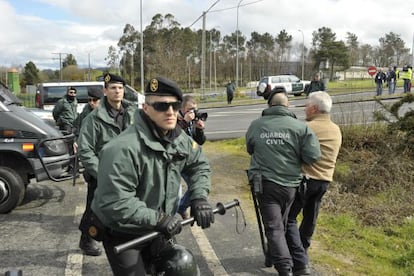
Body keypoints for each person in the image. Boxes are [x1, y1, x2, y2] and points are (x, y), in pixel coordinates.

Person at [91, 76, 214, 275]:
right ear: (146, 108)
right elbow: (116, 202)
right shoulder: (122, 149)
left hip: (159, 226)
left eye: (175, 106)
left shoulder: (179, 139)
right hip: (125, 231)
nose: (171, 112)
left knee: (181, 266)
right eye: (162, 106)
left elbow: (199, 165)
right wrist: (158, 219)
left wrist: (199, 197)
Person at [246, 87, 321, 276]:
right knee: (283, 223)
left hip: (265, 185)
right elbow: (313, 156)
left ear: (270, 105)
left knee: (274, 227)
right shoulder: (301, 127)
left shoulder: (256, 125)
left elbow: (250, 148)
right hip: (291, 186)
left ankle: (284, 268)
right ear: (288, 105)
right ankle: (295, 264)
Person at [77, 73, 137, 256]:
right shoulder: (93, 119)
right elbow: (85, 150)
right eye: (113, 88)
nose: (117, 91)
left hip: (127, 171)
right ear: (105, 91)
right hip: (101, 173)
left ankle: (127, 240)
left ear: (124, 90)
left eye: (120, 88)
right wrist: (101, 172)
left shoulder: (134, 113)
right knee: (95, 209)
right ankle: (86, 240)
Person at [286, 91, 342, 275]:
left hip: (305, 180)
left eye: (307, 105)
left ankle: (299, 259)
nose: (304, 108)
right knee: (311, 217)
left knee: (289, 219)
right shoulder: (336, 129)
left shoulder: (307, 128)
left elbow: (293, 154)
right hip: (324, 181)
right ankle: (302, 251)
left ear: (315, 108)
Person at [177, 95, 207, 218]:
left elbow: (199, 142)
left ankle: (182, 207)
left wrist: (199, 130)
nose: (193, 112)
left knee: (196, 184)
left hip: (189, 159)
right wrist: (185, 122)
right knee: (175, 191)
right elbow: (174, 137)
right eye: (190, 109)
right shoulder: (175, 119)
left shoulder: (191, 121)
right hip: (176, 159)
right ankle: (179, 208)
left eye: (195, 109)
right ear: (182, 108)